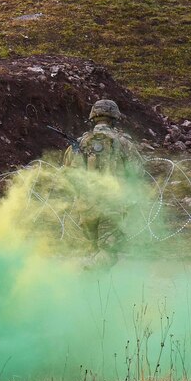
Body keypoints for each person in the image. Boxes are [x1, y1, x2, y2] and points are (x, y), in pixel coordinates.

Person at [63, 99, 141, 268]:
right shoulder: (123, 143)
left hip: (86, 206)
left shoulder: (80, 143)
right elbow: (137, 171)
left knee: (92, 249)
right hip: (111, 204)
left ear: (93, 118)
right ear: (114, 118)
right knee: (108, 252)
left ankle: (87, 288)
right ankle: (84, 274)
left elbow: (68, 173)